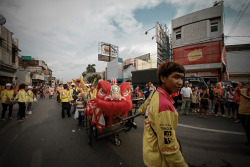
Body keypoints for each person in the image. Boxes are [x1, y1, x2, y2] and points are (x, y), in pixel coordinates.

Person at [139, 61, 188, 167]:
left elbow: (142, 109)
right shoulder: (164, 106)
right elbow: (169, 149)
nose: (180, 82)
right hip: (158, 161)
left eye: (182, 78)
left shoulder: (154, 93)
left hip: (149, 154)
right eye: (176, 77)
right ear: (163, 78)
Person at [237, 81, 250, 149]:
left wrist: (241, 94)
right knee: (245, 127)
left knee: (248, 128)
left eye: (248, 84)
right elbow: (237, 92)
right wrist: (238, 86)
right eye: (247, 84)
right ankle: (248, 140)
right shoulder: (243, 90)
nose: (247, 85)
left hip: (248, 112)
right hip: (241, 111)